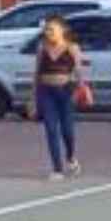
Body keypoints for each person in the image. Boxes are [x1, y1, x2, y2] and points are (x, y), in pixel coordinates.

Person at [30, 16, 84, 181]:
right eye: (46, 30)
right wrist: (33, 97)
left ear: (62, 30)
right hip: (46, 92)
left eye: (51, 29)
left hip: (65, 92)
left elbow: (78, 72)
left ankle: (70, 157)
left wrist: (76, 88)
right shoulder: (42, 49)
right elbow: (37, 73)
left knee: (67, 130)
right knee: (51, 130)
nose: (48, 33)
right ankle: (57, 169)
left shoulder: (72, 48)